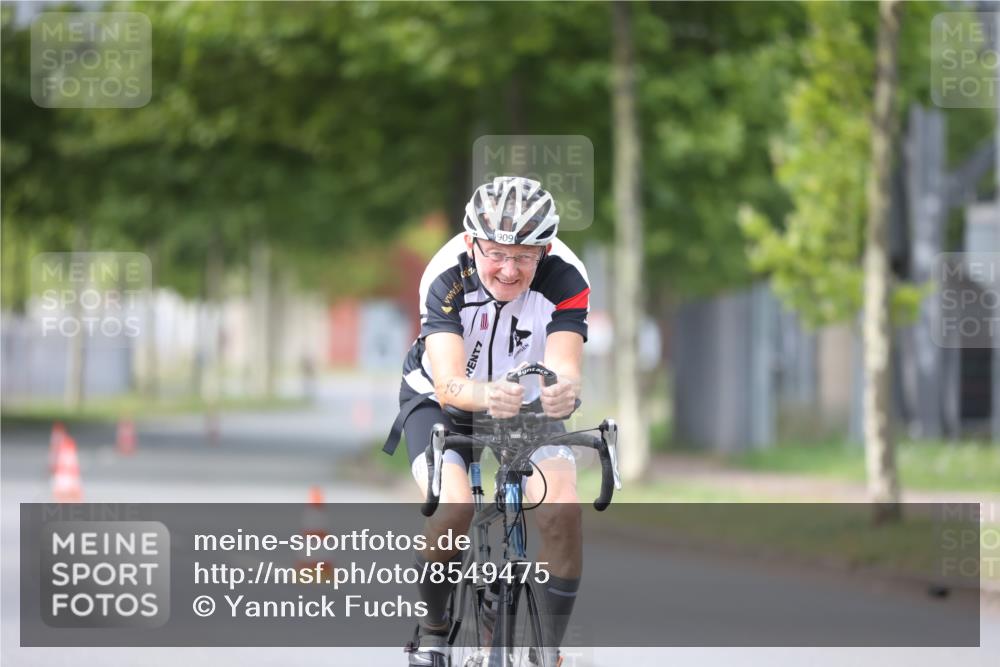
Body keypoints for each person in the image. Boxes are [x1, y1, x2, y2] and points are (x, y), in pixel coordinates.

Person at [382, 176, 591, 667]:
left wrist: (564, 391)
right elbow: (451, 382)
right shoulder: (444, 275)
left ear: (544, 249)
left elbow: (566, 366)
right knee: (453, 508)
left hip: (523, 400)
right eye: (496, 253)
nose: (509, 269)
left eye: (523, 256)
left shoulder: (567, 276)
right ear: (472, 243)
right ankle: (434, 630)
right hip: (441, 397)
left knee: (563, 509)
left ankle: (548, 648)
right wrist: (488, 395)